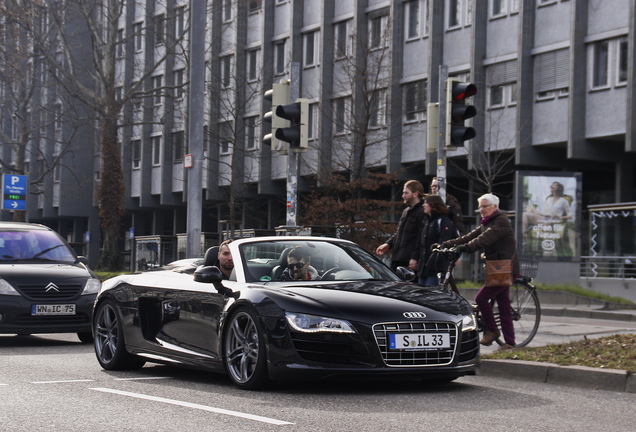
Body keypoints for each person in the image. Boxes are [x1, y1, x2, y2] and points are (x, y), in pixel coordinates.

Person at [440, 193, 519, 351]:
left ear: (494, 207)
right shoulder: (487, 222)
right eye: (480, 207)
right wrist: (445, 244)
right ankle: (510, 343)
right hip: (496, 268)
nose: (481, 209)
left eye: (485, 206)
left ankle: (492, 330)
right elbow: (469, 236)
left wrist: (466, 248)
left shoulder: (501, 222)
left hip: (504, 268)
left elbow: (484, 239)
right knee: (503, 305)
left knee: (481, 299)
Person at [375, 180, 425, 271]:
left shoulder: (422, 212)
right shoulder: (406, 211)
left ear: (415, 194)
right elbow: (399, 232)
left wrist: (414, 257)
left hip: (409, 261)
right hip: (398, 258)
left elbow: (420, 238)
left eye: (406, 193)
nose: (403, 196)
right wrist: (388, 244)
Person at [414, 195, 459, 287]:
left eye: (426, 203)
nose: (423, 205)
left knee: (430, 293)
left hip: (435, 269)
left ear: (433, 205)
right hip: (423, 268)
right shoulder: (426, 221)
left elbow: (444, 242)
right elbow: (420, 243)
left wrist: (434, 262)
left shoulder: (443, 221)